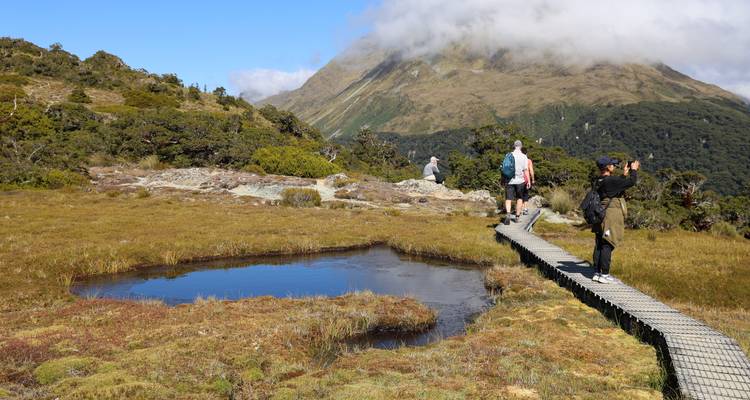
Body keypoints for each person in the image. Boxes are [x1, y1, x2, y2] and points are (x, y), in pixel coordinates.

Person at [591, 156, 640, 284]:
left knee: (600, 243)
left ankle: (597, 272)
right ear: (608, 167)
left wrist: (623, 175)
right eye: (612, 165)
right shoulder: (610, 181)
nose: (614, 166)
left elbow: (614, 187)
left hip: (599, 213)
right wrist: (633, 170)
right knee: (608, 242)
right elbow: (631, 182)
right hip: (609, 214)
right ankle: (605, 274)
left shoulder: (598, 179)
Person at [503, 140, 528, 225]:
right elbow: (525, 170)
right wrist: (528, 181)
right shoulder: (524, 156)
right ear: (521, 146)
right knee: (519, 198)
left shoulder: (508, 155)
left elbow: (504, 168)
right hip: (520, 181)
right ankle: (517, 217)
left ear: (514, 146)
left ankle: (508, 214)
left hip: (509, 180)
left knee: (508, 198)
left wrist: (502, 179)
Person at [521, 147, 535, 215]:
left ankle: (520, 209)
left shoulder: (518, 160)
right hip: (526, 180)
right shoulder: (528, 161)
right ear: (526, 153)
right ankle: (525, 209)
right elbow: (531, 171)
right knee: (525, 194)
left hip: (518, 179)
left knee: (519, 195)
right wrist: (533, 179)